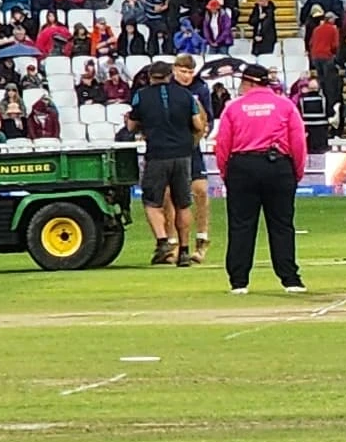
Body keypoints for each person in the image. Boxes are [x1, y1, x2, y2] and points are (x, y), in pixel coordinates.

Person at [211, 63, 307, 292]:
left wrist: (227, 172)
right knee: (282, 224)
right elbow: (298, 142)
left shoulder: (234, 108)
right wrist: (296, 172)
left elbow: (223, 144)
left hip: (242, 166)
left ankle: (239, 281)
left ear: (250, 82)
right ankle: (290, 279)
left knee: (241, 225)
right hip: (278, 165)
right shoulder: (285, 106)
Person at [123, 58, 209, 267]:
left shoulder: (141, 97)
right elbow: (198, 124)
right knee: (183, 204)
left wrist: (132, 119)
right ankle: (185, 251)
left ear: (150, 77)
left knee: (152, 202)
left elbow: (132, 127)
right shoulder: (186, 95)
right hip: (183, 155)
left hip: (157, 155)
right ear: (170, 75)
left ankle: (163, 242)